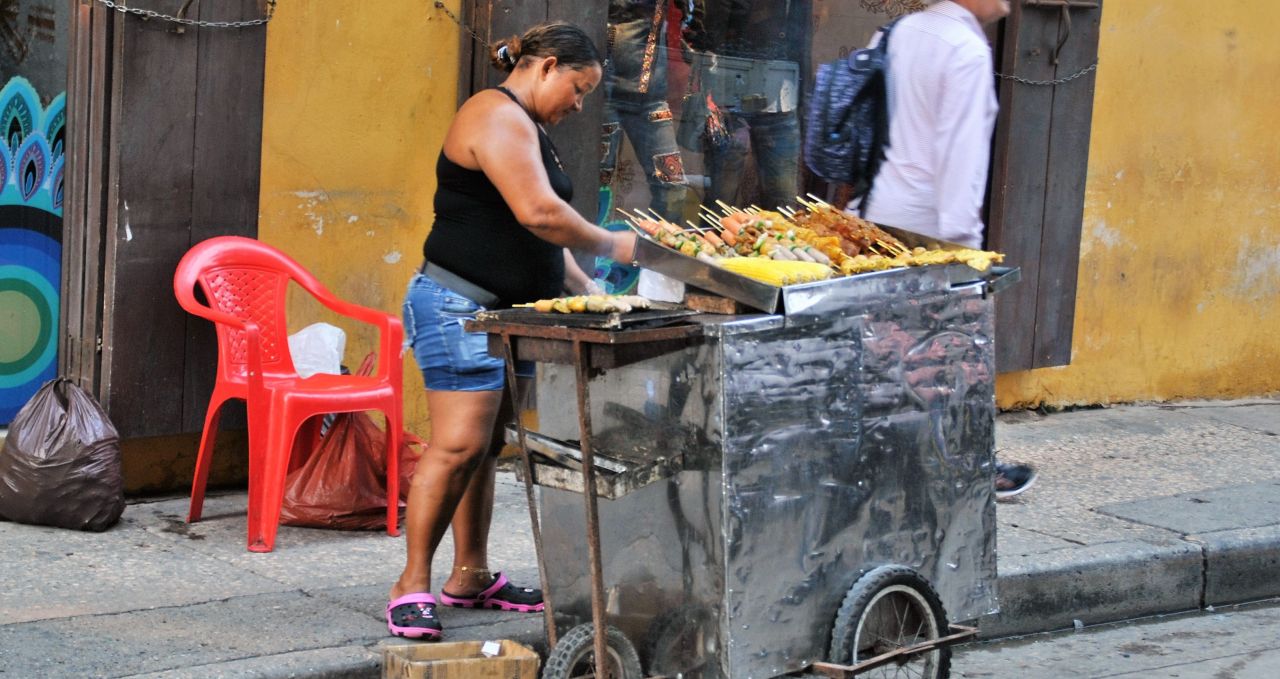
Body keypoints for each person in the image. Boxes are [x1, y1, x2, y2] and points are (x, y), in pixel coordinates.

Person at [387, 22, 636, 640]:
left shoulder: (533, 128)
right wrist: (617, 245)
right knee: (458, 446)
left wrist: (587, 287)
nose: (579, 105)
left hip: (510, 314)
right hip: (459, 304)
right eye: (578, 89)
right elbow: (540, 213)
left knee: (488, 445)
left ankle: (470, 574)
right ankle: (410, 584)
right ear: (547, 67)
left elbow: (538, 234)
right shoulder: (493, 115)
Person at [848, 0, 1036, 500]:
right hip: (928, 226)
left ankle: (889, 460)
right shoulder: (966, 50)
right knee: (948, 353)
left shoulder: (902, 30)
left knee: (888, 351)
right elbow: (961, 163)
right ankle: (969, 466)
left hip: (878, 206)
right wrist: (966, 259)